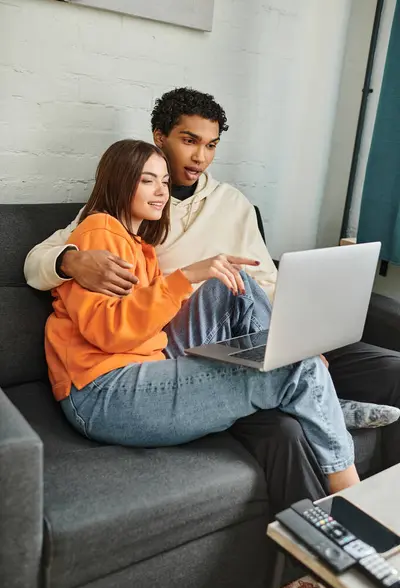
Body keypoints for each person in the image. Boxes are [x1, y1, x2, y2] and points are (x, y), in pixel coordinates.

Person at [24, 88, 400, 510]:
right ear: (160, 139)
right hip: (107, 384)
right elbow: (93, 310)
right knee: (296, 368)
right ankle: (353, 501)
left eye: (210, 145)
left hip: (153, 351)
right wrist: (72, 261)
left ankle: (308, 385)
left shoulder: (155, 234)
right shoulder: (99, 230)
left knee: (235, 281)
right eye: (188, 142)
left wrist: (298, 338)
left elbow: (264, 280)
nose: (199, 157)